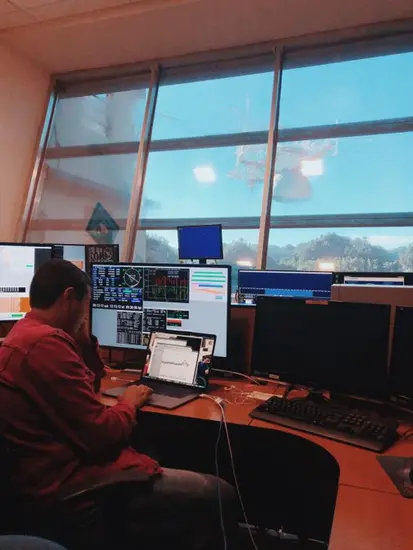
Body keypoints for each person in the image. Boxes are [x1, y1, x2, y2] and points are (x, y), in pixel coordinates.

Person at [0, 260, 239, 550]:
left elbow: (90, 387)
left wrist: (82, 339)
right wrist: (129, 403)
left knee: (151, 450)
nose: (87, 311)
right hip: (65, 484)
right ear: (68, 297)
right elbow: (101, 436)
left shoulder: (23, 333)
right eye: (86, 302)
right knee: (217, 492)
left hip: (42, 474)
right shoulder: (45, 346)